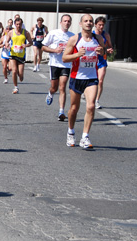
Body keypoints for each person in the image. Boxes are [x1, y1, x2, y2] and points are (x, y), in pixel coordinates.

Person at [62, 14, 105, 149]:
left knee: (91, 106)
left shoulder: (98, 39)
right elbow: (64, 58)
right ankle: (71, 132)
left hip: (91, 78)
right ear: (80, 24)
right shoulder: (74, 39)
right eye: (85, 21)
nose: (88, 23)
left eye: (90, 21)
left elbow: (103, 53)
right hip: (76, 77)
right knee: (74, 108)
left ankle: (85, 137)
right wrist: (77, 55)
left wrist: (101, 51)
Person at [42, 14, 75, 121]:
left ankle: (61, 111)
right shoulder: (53, 33)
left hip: (66, 64)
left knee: (62, 87)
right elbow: (43, 47)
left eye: (69, 21)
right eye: (65, 21)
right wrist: (55, 50)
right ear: (61, 22)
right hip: (54, 64)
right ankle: (50, 93)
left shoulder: (72, 36)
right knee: (54, 87)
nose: (67, 23)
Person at [4, 17, 32, 94]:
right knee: (14, 71)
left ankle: (20, 77)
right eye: (17, 24)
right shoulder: (11, 32)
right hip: (13, 54)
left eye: (20, 24)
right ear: (15, 24)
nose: (18, 26)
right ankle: (15, 87)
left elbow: (31, 42)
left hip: (21, 55)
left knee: (21, 75)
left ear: (22, 24)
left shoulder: (26, 33)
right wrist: (7, 45)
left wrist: (26, 45)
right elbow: (6, 41)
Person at [93, 16, 114, 109]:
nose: (101, 27)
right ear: (95, 25)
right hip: (92, 61)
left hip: (102, 60)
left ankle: (96, 101)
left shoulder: (106, 35)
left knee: (100, 81)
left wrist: (109, 50)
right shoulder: (91, 34)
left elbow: (110, 46)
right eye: (99, 25)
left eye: (103, 25)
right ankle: (87, 93)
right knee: (91, 81)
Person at [0, 19, 14, 83]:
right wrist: (2, 45)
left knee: (10, 68)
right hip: (4, 54)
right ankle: (6, 78)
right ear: (6, 30)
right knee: (4, 67)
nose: (8, 30)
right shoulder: (3, 37)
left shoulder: (14, 37)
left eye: (10, 29)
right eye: (7, 29)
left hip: (11, 54)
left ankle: (8, 71)